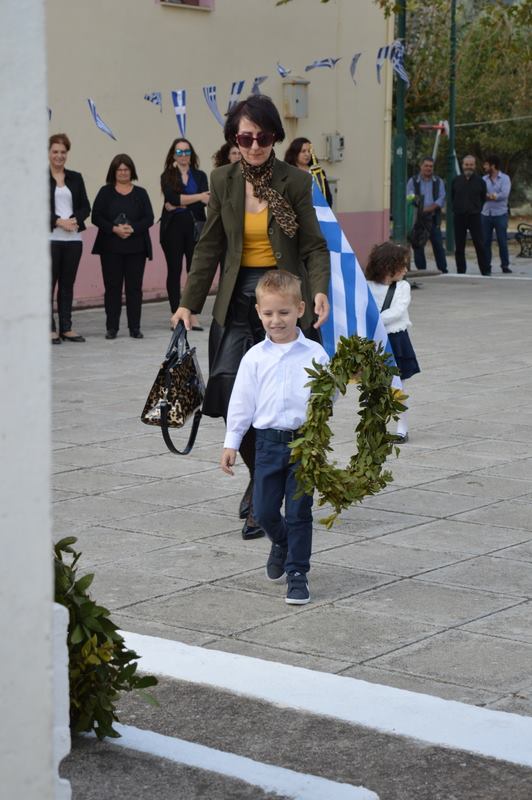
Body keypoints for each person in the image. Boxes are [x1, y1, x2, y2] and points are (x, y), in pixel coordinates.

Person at [171, 94, 330, 540]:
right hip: (239, 299)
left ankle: (263, 490)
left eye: (263, 137)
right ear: (233, 139)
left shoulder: (294, 181)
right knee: (225, 388)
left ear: (275, 137)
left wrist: (317, 293)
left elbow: (314, 246)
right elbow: (210, 247)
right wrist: (189, 302)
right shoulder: (222, 180)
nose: (255, 145)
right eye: (246, 137)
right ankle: (261, 474)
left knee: (280, 395)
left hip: (282, 293)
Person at [221, 270, 329, 604]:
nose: (276, 320)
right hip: (267, 443)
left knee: (299, 511)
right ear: (258, 313)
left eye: (283, 312)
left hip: (304, 444)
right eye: (268, 313)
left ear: (300, 309)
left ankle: (298, 573)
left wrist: (332, 389)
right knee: (265, 511)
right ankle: (280, 541)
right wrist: (232, 441)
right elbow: (241, 402)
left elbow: (328, 397)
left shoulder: (316, 354)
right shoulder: (255, 357)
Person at [92, 154, 154, 339]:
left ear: (131, 171)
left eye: (126, 169)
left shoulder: (141, 193)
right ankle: (112, 327)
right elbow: (96, 216)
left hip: (136, 249)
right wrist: (114, 229)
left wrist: (132, 228)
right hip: (110, 248)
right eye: (119, 169)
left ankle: (135, 327)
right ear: (114, 172)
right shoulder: (105, 192)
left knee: (134, 288)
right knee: (112, 288)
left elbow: (149, 218)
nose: (123, 172)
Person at [365, 242, 420, 443]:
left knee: (398, 385)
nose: (406, 270)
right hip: (375, 340)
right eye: (402, 265)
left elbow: (398, 311)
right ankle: (375, 425)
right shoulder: (368, 286)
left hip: (396, 339)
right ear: (388, 266)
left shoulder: (403, 287)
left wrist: (375, 320)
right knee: (374, 386)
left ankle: (401, 429)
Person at [160, 138, 209, 330]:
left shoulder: (200, 175)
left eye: (186, 152)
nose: (183, 156)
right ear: (173, 155)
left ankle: (192, 314)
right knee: (174, 271)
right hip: (172, 228)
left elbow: (206, 199)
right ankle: (176, 313)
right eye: (179, 152)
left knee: (194, 270)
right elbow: (172, 197)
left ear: (191, 154)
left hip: (195, 226)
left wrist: (180, 203)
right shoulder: (168, 175)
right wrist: (196, 197)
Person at [49, 133, 91, 344]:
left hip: (73, 240)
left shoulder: (75, 177)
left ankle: (66, 327)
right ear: (49, 153)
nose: (59, 156)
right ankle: (49, 328)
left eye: (63, 152)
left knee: (67, 284)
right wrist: (58, 221)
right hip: (50, 238)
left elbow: (85, 205)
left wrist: (75, 219)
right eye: (55, 151)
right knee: (49, 284)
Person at [406, 157, 447, 273]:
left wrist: (428, 209)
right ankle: (421, 270)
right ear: (421, 166)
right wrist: (419, 207)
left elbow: (441, 198)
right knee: (418, 245)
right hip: (418, 218)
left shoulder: (438, 181)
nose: (429, 168)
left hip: (433, 218)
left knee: (438, 245)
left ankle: (443, 269)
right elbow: (409, 196)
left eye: (431, 166)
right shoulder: (413, 181)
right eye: (426, 166)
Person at [451, 155, 489, 275]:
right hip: (459, 217)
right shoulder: (456, 180)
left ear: (475, 166)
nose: (469, 167)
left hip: (475, 216)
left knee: (479, 244)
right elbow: (452, 197)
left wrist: (476, 209)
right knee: (459, 246)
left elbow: (483, 198)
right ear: (462, 166)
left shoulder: (481, 182)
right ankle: (461, 271)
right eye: (466, 164)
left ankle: (485, 270)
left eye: (471, 165)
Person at [482, 154, 512, 274]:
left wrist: (490, 196)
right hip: (485, 214)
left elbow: (504, 194)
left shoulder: (505, 178)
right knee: (485, 242)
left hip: (501, 214)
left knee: (502, 241)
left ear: (492, 166)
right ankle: (486, 265)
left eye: (486, 164)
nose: (484, 166)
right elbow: (480, 194)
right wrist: (494, 196)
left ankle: (505, 265)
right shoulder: (483, 179)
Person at [284, 137, 333, 207]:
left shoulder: (318, 172)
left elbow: (327, 196)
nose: (307, 154)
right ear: (295, 153)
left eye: (309, 151)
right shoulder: (288, 173)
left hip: (319, 213)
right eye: (303, 151)